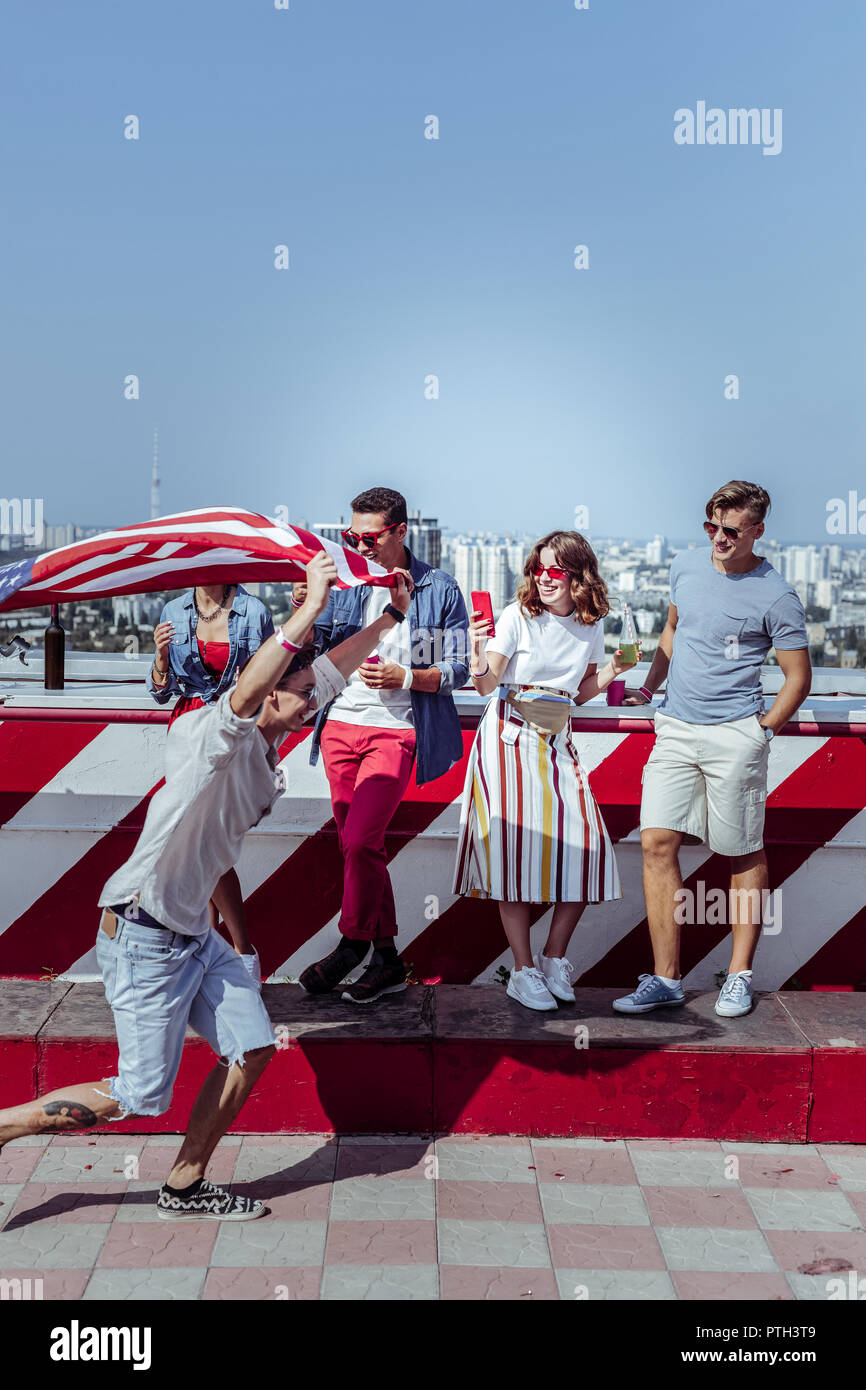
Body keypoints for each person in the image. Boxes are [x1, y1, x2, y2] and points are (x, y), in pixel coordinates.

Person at [0, 553, 414, 1219]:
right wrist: (308, 603)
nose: (308, 693)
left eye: (307, 691)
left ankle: (185, 1182)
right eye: (294, 685)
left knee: (251, 1047)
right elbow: (253, 691)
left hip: (191, 935)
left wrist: (392, 613)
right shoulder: (213, 731)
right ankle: (7, 1126)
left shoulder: (266, 750)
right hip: (143, 936)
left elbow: (327, 672)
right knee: (140, 1096)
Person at [615, 480, 811, 1019]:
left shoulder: (777, 594)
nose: (718, 539)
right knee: (656, 841)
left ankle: (738, 977)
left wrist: (762, 730)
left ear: (757, 531)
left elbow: (799, 677)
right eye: (711, 528)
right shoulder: (685, 566)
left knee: (741, 849)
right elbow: (673, 630)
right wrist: (650, 687)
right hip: (675, 727)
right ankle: (664, 979)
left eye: (730, 530)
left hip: (736, 733)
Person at [293, 486, 470, 1004]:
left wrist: (405, 676)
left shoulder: (437, 589)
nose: (360, 545)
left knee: (361, 840)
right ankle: (386, 958)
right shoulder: (347, 582)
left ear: (400, 531)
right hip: (339, 729)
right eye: (351, 536)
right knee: (358, 845)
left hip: (397, 733)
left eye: (369, 536)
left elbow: (457, 668)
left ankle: (351, 944)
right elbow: (317, 649)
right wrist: (306, 609)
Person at [454, 531, 635, 1010]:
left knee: (588, 846)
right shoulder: (518, 616)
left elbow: (578, 692)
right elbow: (486, 683)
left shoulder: (590, 624)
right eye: (539, 568)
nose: (545, 578)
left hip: (557, 740)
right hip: (508, 739)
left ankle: (554, 958)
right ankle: (523, 969)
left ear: (578, 576)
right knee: (513, 853)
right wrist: (476, 654)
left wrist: (617, 669)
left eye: (556, 570)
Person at [149, 581, 274, 986]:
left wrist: (250, 682)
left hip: (231, 730)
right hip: (186, 732)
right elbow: (160, 692)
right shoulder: (172, 610)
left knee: (204, 842)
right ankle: (219, 953)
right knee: (197, 841)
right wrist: (161, 658)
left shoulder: (253, 612)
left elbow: (276, 679)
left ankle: (241, 949)